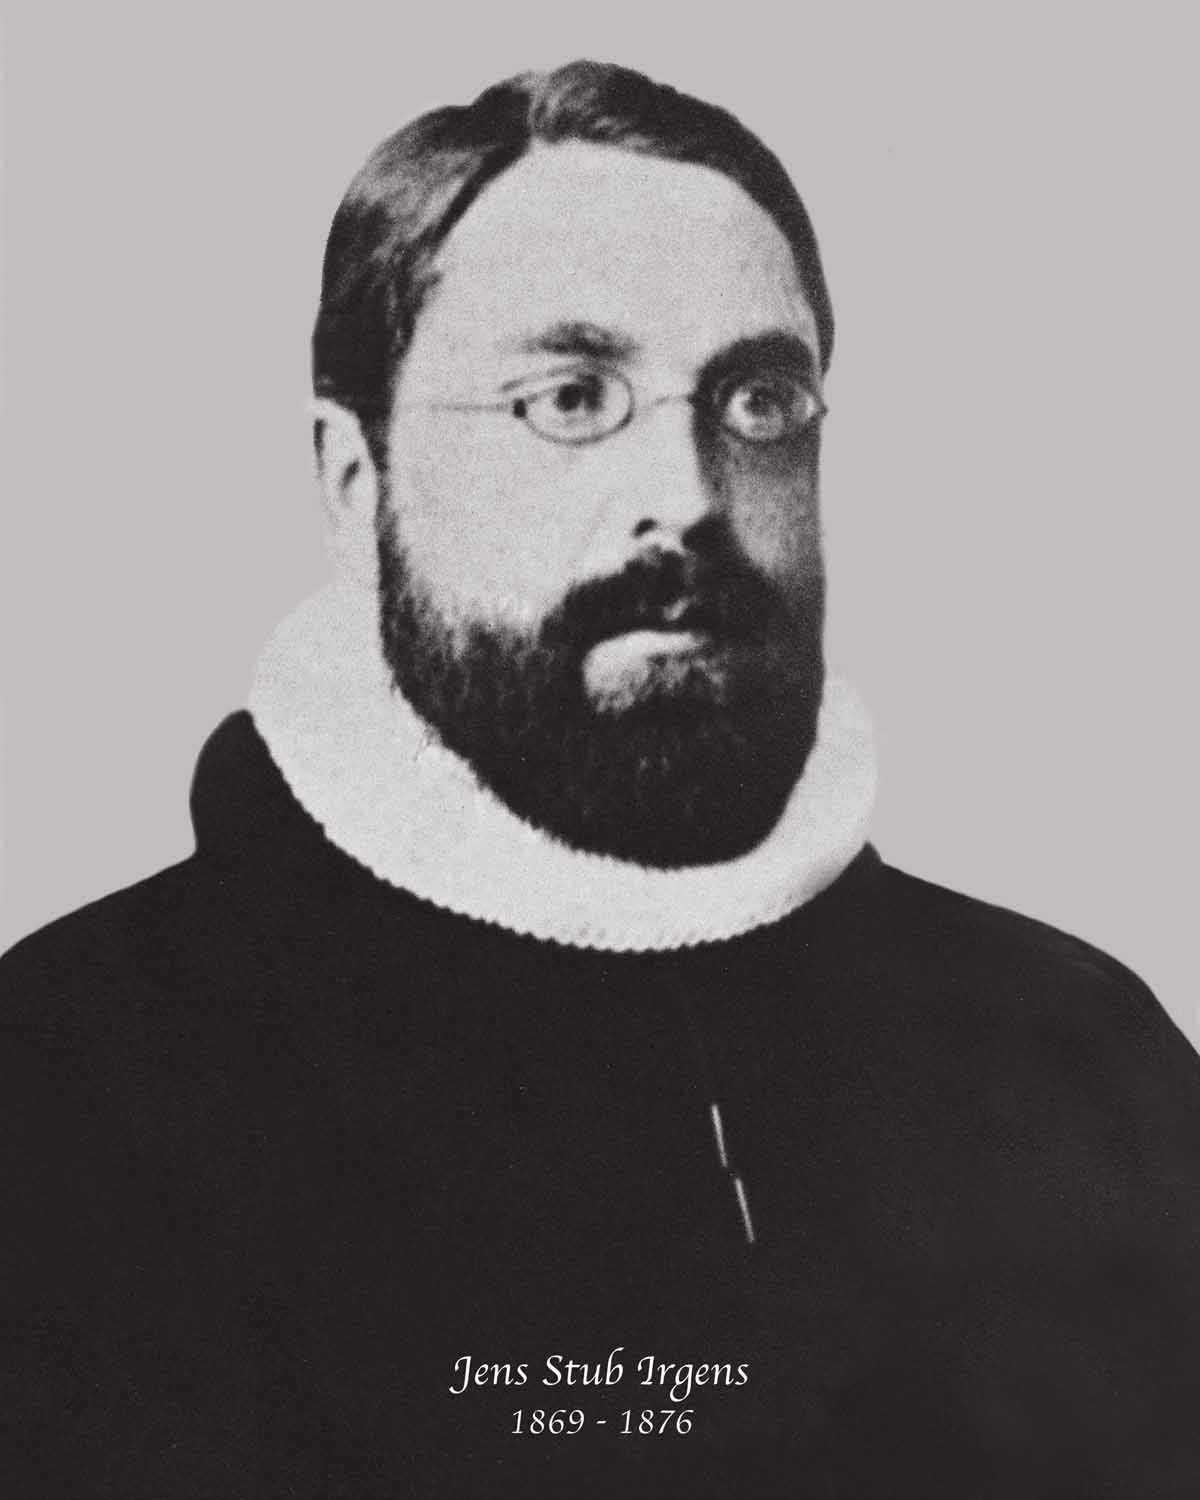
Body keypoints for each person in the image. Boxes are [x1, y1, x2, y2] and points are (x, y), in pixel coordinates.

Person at [3, 59, 1199, 1499]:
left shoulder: (1079, 1060)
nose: (687, 496)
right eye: (570, 397)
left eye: (761, 401)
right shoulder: (64, 1077)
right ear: (354, 481)